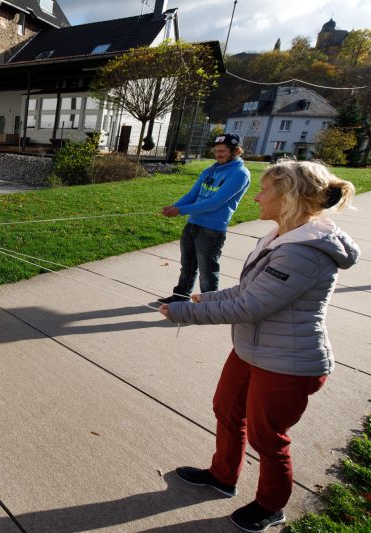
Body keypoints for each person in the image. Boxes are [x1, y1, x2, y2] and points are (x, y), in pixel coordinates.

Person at [159, 160, 361, 533]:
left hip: (288, 363)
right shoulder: (282, 236)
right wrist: (211, 297)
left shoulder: (303, 251)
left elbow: (253, 306)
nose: (256, 197)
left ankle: (270, 506)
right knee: (226, 410)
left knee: (267, 437)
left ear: (289, 199)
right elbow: (251, 290)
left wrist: (183, 312)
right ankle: (222, 476)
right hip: (254, 350)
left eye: (265, 191)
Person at [158, 133, 250, 304]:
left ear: (236, 151)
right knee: (188, 266)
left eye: (222, 151)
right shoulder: (210, 170)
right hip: (193, 224)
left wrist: (181, 210)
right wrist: (174, 206)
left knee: (207, 270)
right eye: (216, 151)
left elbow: (215, 203)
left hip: (212, 230)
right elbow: (193, 195)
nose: (218, 154)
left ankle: (209, 305)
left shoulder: (240, 174)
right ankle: (180, 297)